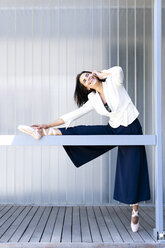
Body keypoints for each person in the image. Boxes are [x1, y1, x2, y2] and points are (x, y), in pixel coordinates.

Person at [18, 66, 151, 232]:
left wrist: (102, 74)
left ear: (94, 74)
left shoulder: (113, 82)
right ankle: (44, 131)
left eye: (88, 75)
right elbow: (72, 115)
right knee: (82, 129)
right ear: (87, 87)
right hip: (113, 129)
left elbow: (118, 70)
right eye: (85, 80)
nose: (88, 78)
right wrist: (48, 123)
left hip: (131, 129)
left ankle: (135, 210)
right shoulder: (94, 99)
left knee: (131, 169)